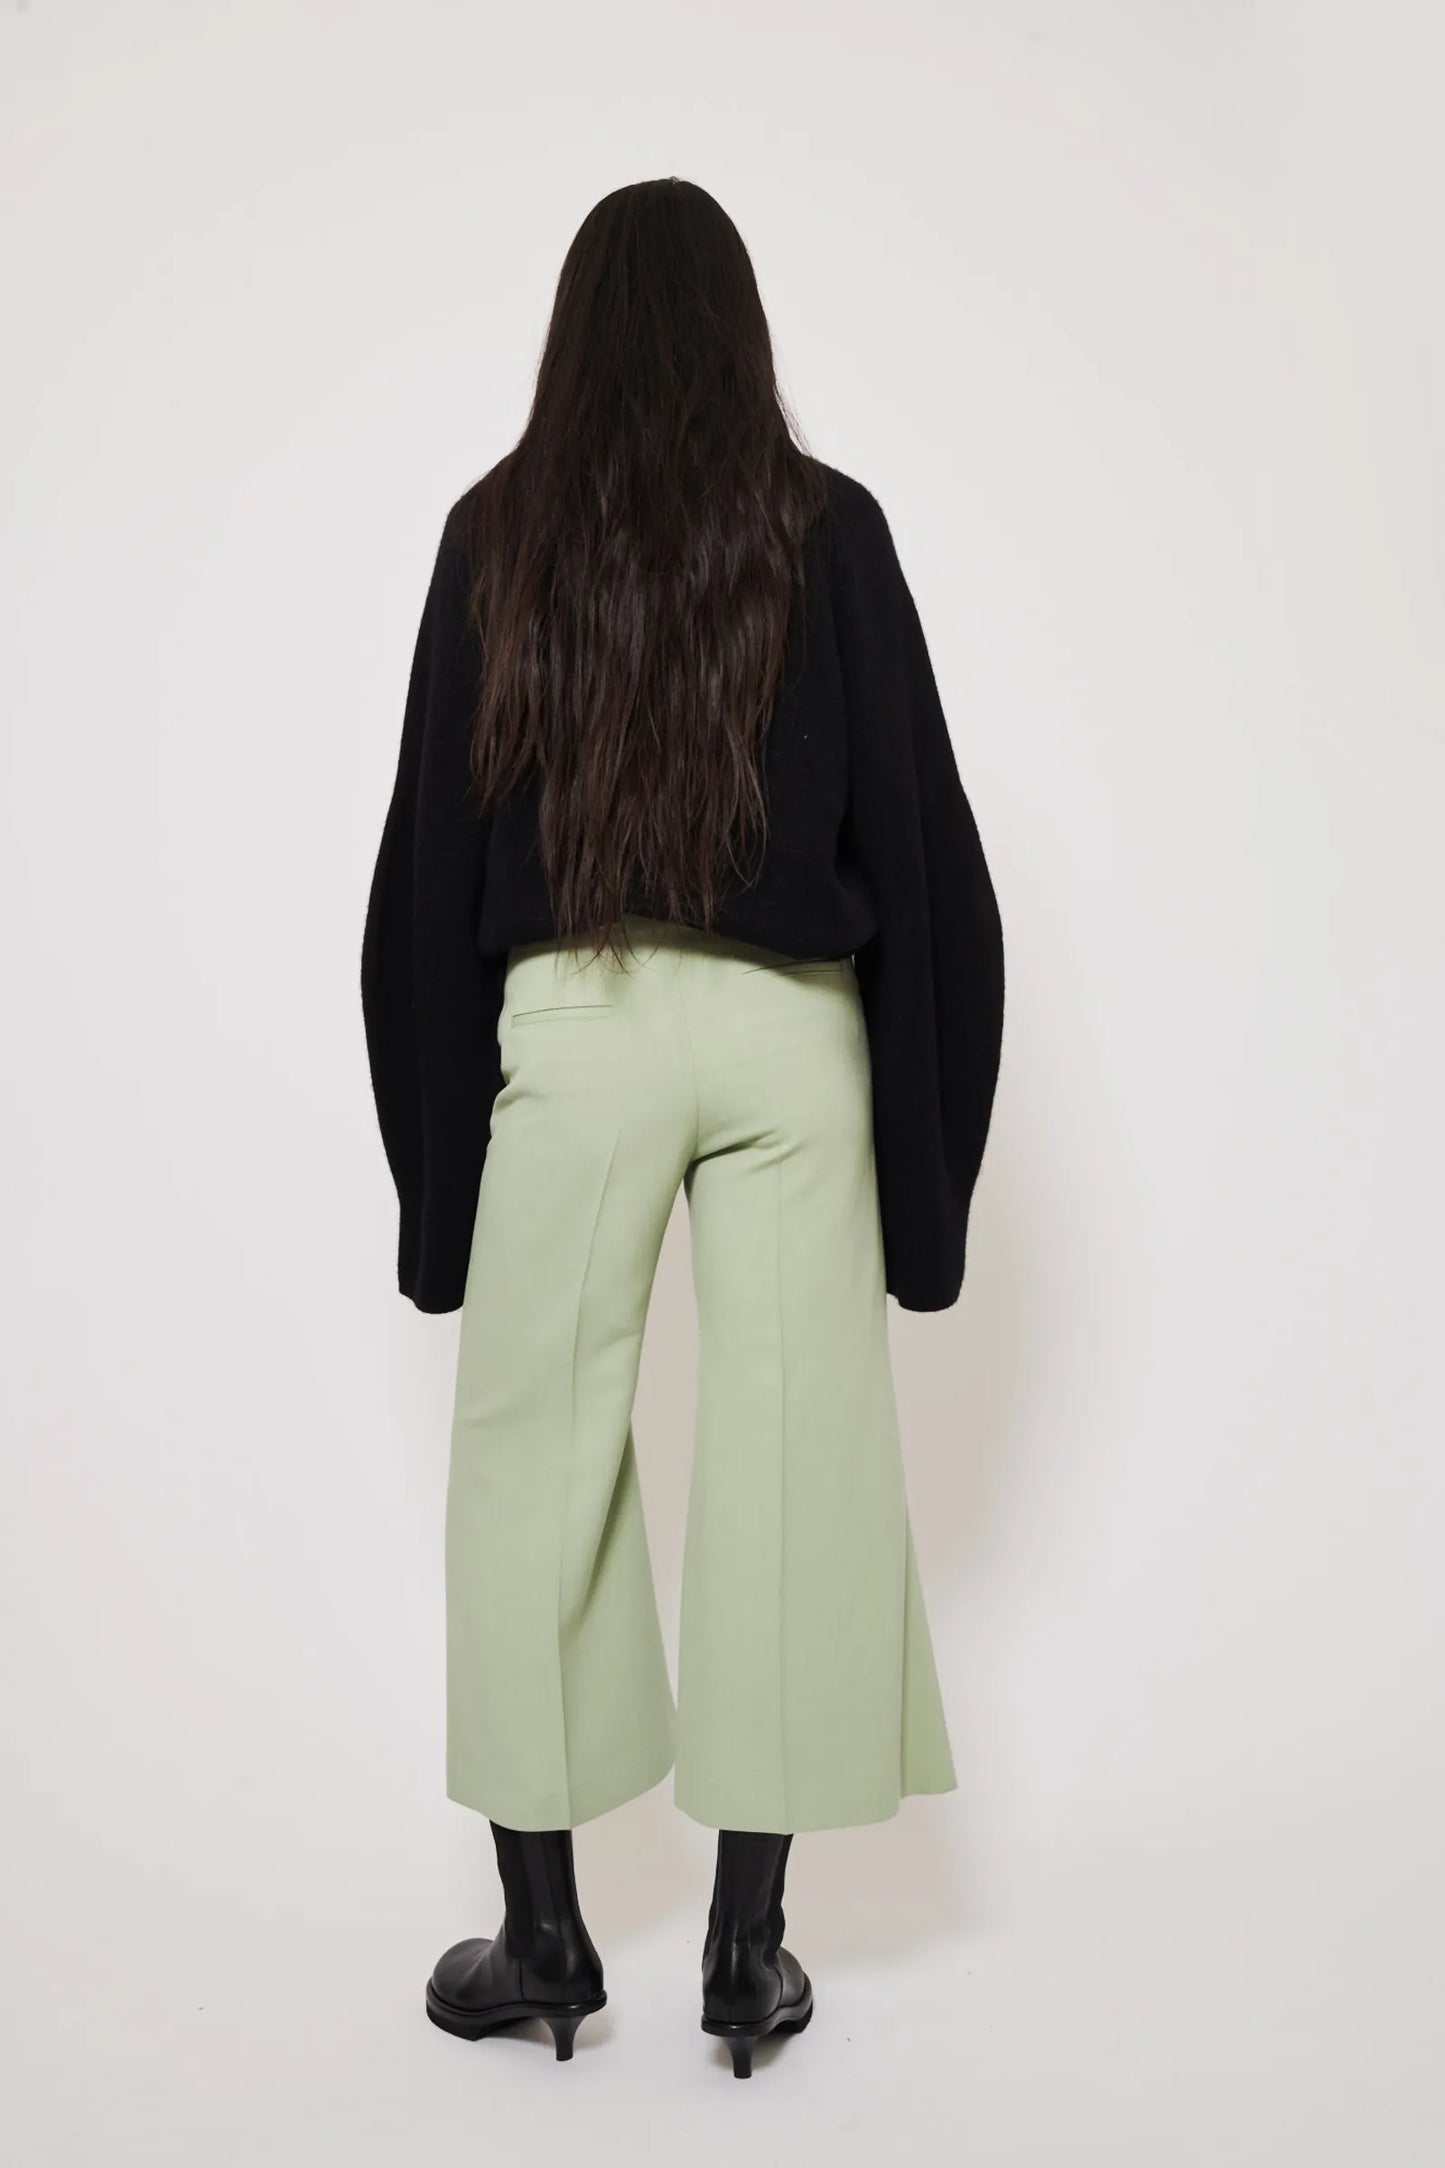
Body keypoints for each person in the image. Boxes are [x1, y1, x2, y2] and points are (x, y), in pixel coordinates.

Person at [360, 176, 1005, 2079]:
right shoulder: (827, 527)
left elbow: (424, 878)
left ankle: (544, 1936)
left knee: (531, 1455)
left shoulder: (497, 534)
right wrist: (928, 1191)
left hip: (577, 1021)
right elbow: (923, 848)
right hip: (795, 1037)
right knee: (800, 1466)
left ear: (572, 335)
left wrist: (435, 1196)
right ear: (741, 332)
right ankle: (746, 1948)